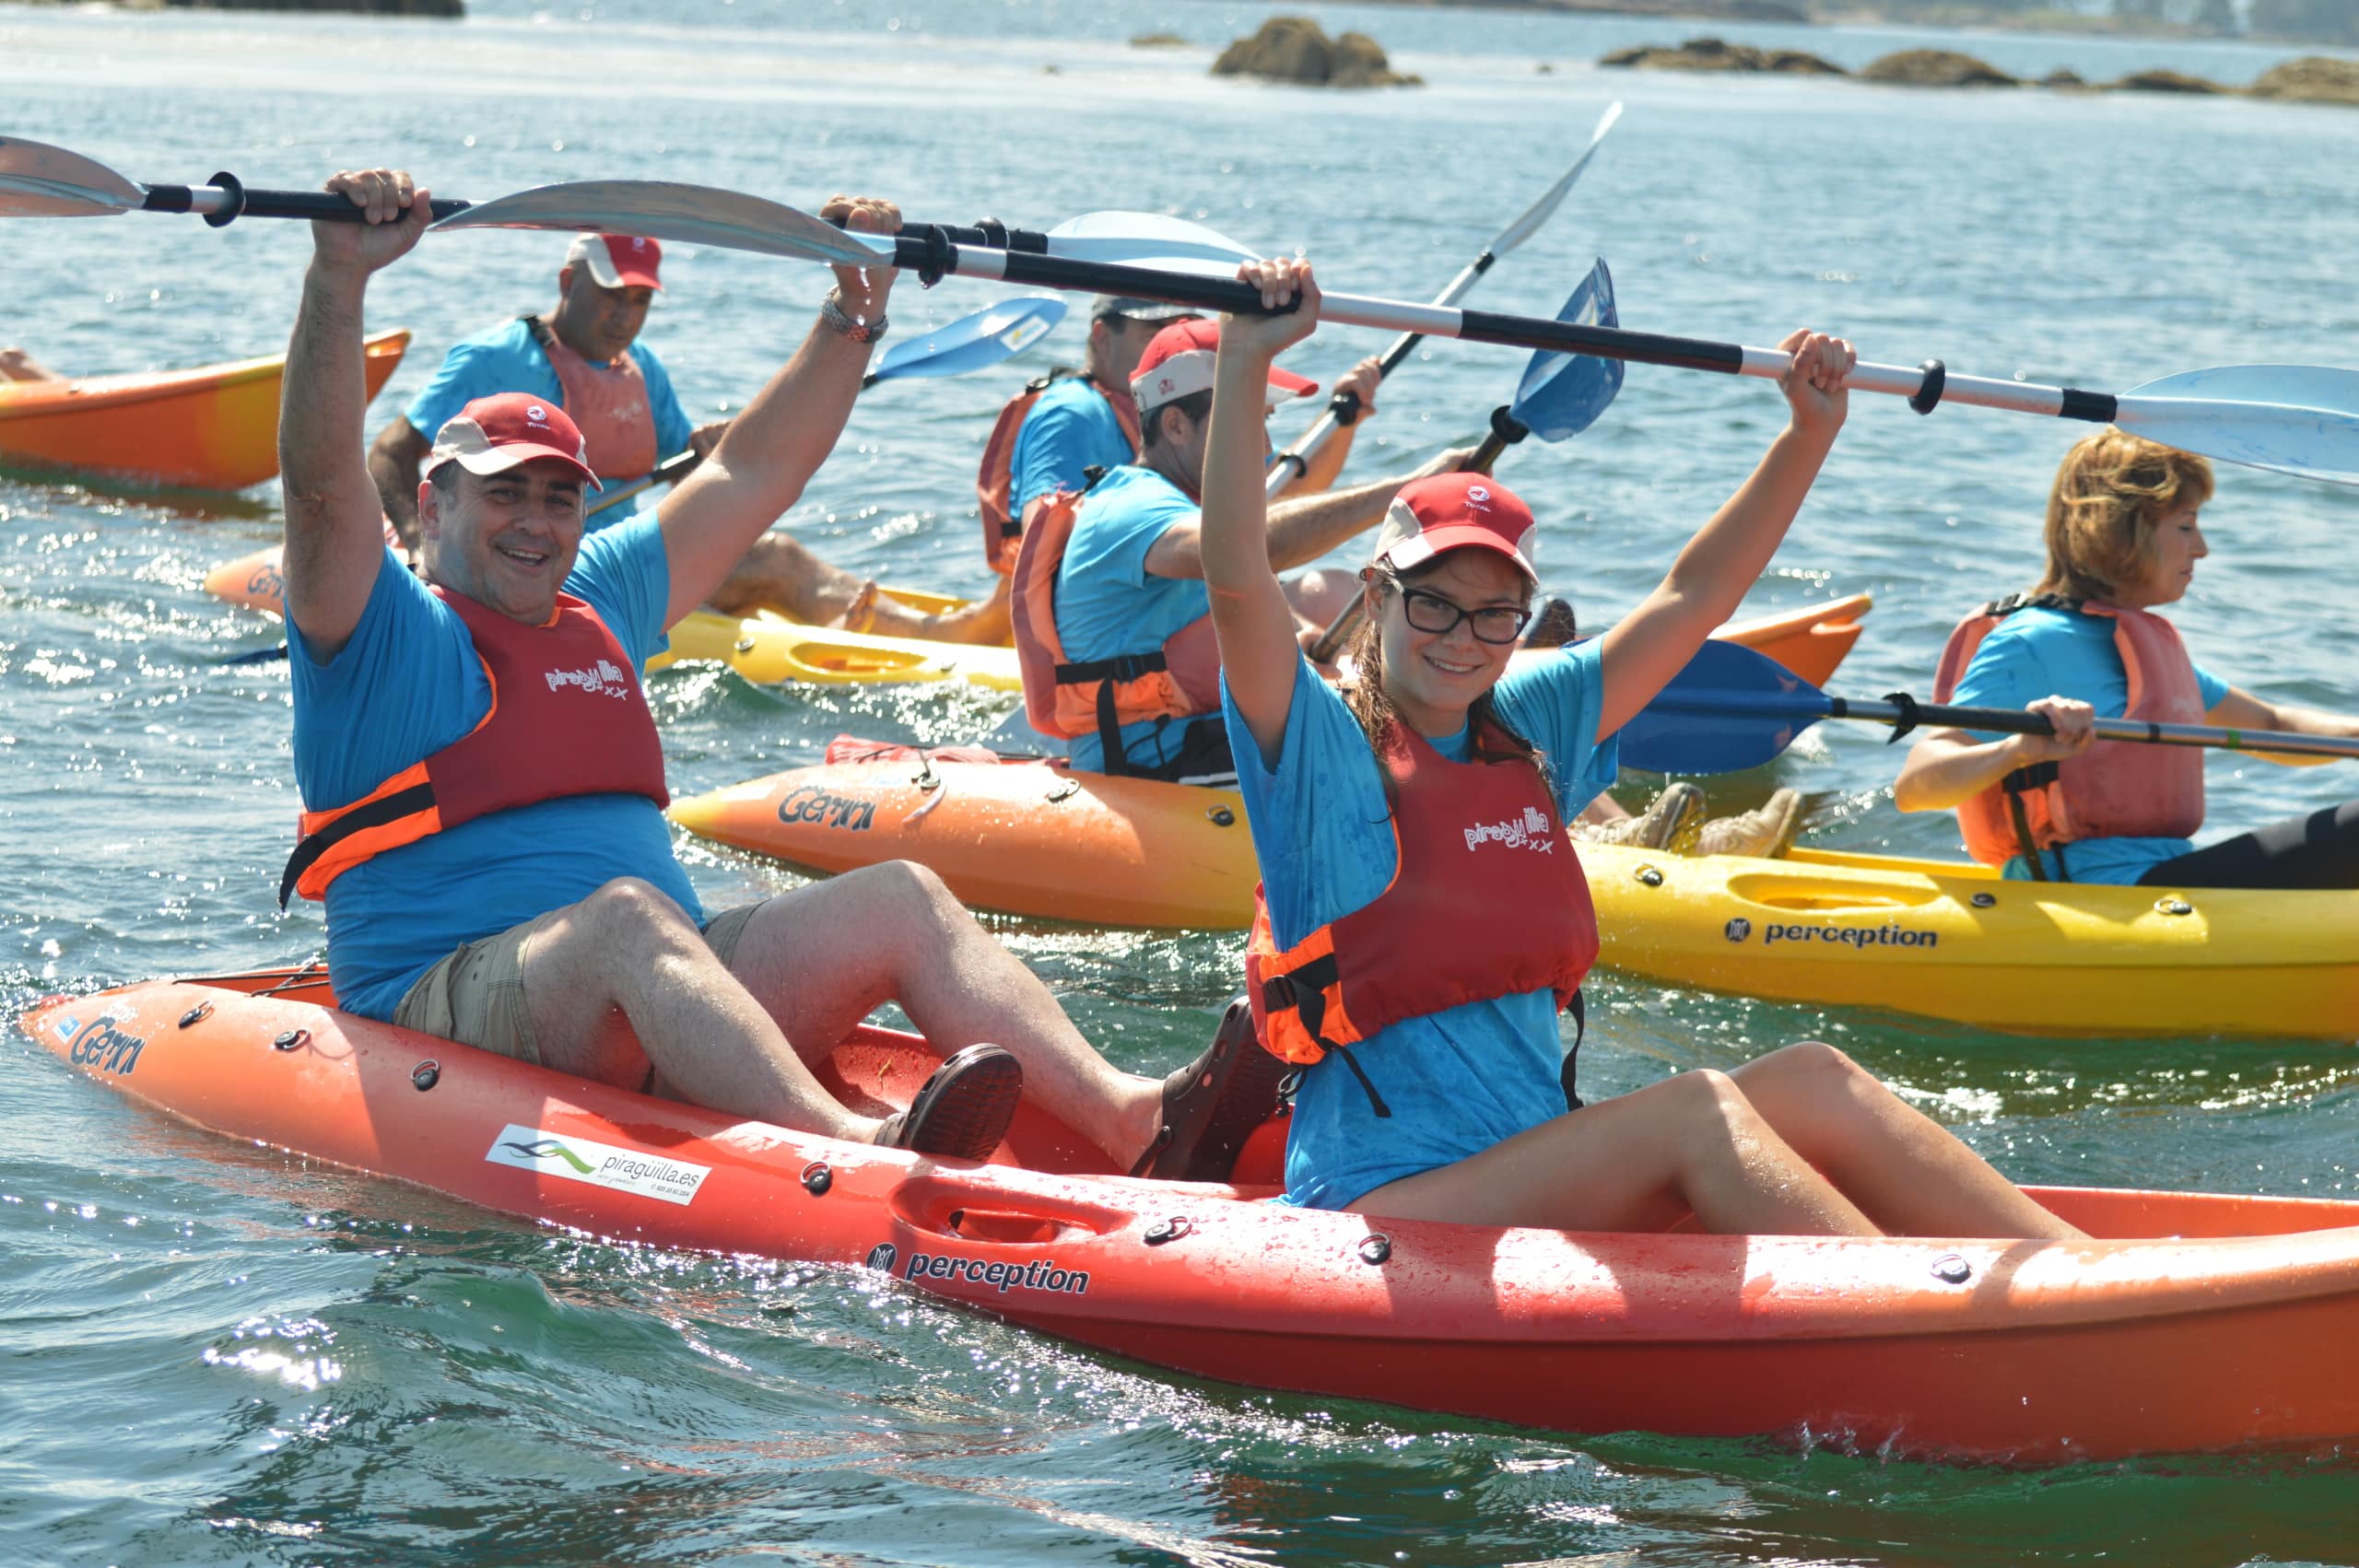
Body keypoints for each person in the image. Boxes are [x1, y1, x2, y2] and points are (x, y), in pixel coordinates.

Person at [276, 168, 1279, 1177]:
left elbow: (749, 473)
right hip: (453, 996)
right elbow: (321, 491)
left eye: (558, 498)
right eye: (504, 497)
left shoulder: (603, 597)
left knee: (902, 894)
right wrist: (340, 276)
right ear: (434, 505)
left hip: (656, 974)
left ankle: (1134, 1120)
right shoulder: (380, 630)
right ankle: (853, 1151)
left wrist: (854, 309)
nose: (536, 522)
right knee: (629, 915)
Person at [1196, 254, 2083, 1241]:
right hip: (1385, 1201)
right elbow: (1235, 576)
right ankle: (1927, 1327)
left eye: (1496, 615)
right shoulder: (1315, 741)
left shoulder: (1525, 723)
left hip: (1533, 1158)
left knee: (1814, 1079)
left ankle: (2074, 1275)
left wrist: (1809, 433)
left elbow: (1689, 598)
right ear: (1375, 595)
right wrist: (1245, 362)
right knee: (1697, 1111)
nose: (1461, 637)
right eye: (1432, 603)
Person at [367, 231, 1002, 645]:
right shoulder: (492, 357)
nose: (624, 315)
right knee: (777, 559)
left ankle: (932, 628)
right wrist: (424, 549)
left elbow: (691, 477)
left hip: (617, 563)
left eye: (640, 301)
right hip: (525, 568)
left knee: (769, 549)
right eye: (613, 294)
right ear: (569, 283)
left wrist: (711, 452)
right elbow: (390, 454)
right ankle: (944, 632)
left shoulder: (644, 369)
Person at [1894, 428, 2359, 887]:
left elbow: (2273, 727)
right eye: (2185, 525)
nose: (2201, 547)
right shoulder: (2031, 642)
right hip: (2096, 895)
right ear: (2124, 531)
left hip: (2169, 880)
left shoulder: (2143, 644)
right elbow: (1915, 785)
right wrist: (2018, 748)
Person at [1010, 315, 1425, 783]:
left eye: (1263, 421)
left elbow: (1227, 609)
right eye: (1247, 421)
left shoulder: (1188, 508)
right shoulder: (1130, 507)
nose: (1265, 446)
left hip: (1212, 746)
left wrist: (1308, 640)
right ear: (1176, 425)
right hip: (1155, 767)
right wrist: (1406, 492)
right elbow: (1241, 547)